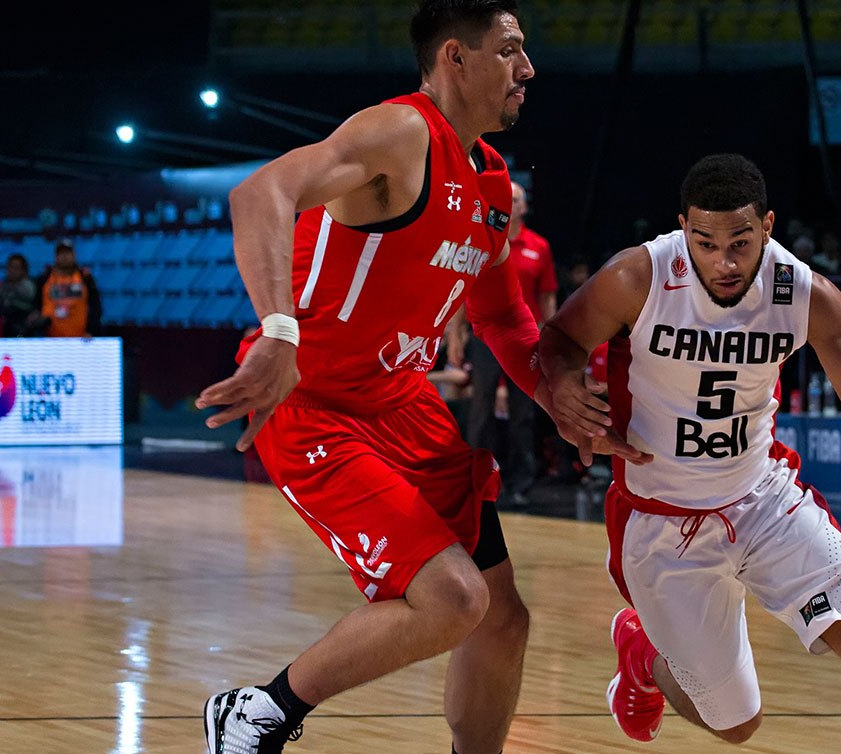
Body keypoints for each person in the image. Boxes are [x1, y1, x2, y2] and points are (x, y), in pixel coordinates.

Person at [192, 4, 635, 753]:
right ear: (455, 59)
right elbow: (258, 194)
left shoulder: (493, 187)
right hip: (316, 405)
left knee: (501, 615)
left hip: (405, 408)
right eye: (510, 52)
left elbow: (502, 319)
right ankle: (257, 712)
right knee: (454, 599)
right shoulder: (401, 133)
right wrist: (277, 329)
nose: (527, 70)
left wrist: (553, 393)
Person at [539, 154, 841, 752]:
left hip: (765, 500)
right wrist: (565, 396)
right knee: (736, 723)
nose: (723, 262)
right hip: (661, 520)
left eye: (740, 242)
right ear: (683, 229)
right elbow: (559, 340)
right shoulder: (638, 278)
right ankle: (643, 656)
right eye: (704, 243)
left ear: (769, 227)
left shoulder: (806, 294)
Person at [452, 179, 557, 507]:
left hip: (525, 338)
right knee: (480, 407)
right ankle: (474, 479)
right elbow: (460, 288)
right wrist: (455, 335)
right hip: (484, 337)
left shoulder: (538, 246)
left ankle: (520, 483)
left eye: (516, 199)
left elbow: (548, 296)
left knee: (523, 410)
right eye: (506, 198)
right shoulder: (482, 240)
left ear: (524, 207)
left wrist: (550, 339)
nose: (511, 203)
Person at [31, 240, 101, 338]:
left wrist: (91, 331)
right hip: (50, 341)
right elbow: (37, 305)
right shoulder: (44, 278)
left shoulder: (85, 277)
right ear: (56, 256)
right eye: (61, 253)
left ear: (74, 255)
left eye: (68, 253)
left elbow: (95, 306)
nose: (65, 257)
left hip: (81, 340)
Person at [0, 254, 38, 337]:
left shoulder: (29, 286)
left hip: (23, 328)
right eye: (10, 267)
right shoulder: (3, 286)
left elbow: (29, 307)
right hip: (4, 328)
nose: (13, 271)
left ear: (24, 270)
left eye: (17, 268)